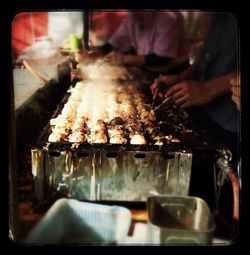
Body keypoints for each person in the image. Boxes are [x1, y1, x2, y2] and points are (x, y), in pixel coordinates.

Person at [150, 13, 240, 168]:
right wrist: (180, 77)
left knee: (222, 175)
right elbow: (206, 56)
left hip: (231, 117)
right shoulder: (218, 17)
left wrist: (209, 88)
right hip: (202, 109)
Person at [75, 11, 190, 76]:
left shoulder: (169, 16)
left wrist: (124, 59)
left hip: (174, 73)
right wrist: (92, 56)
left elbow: (161, 58)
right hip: (148, 70)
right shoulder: (133, 16)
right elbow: (114, 43)